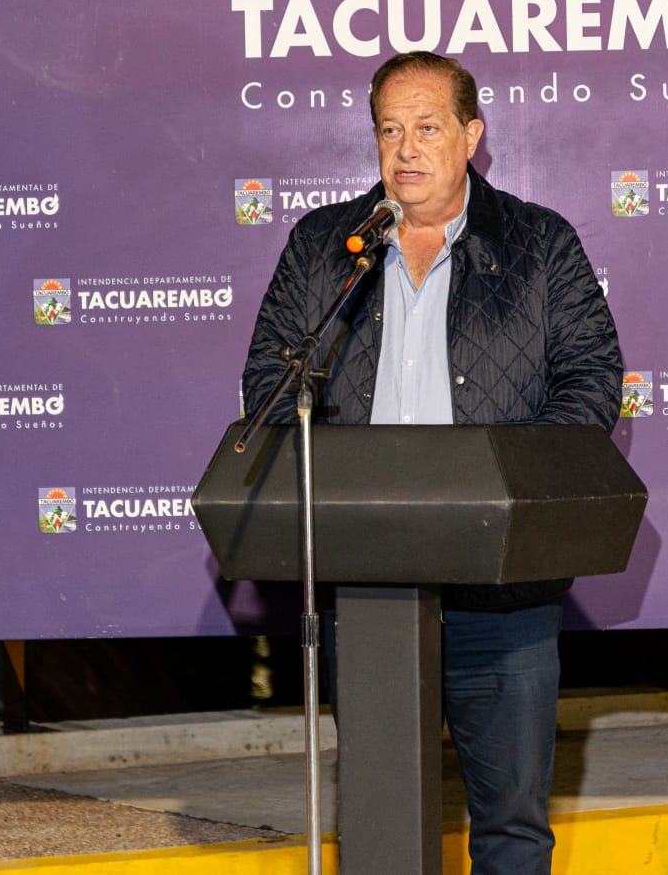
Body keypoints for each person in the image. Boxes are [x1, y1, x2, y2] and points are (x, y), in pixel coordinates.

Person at [242, 51, 622, 873]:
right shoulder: (327, 247)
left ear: (471, 135)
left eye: (427, 127)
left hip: (502, 597)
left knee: (512, 824)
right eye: (389, 129)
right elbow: (271, 382)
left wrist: (509, 494)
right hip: (369, 590)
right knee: (381, 817)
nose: (405, 148)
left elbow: (590, 383)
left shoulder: (538, 244)